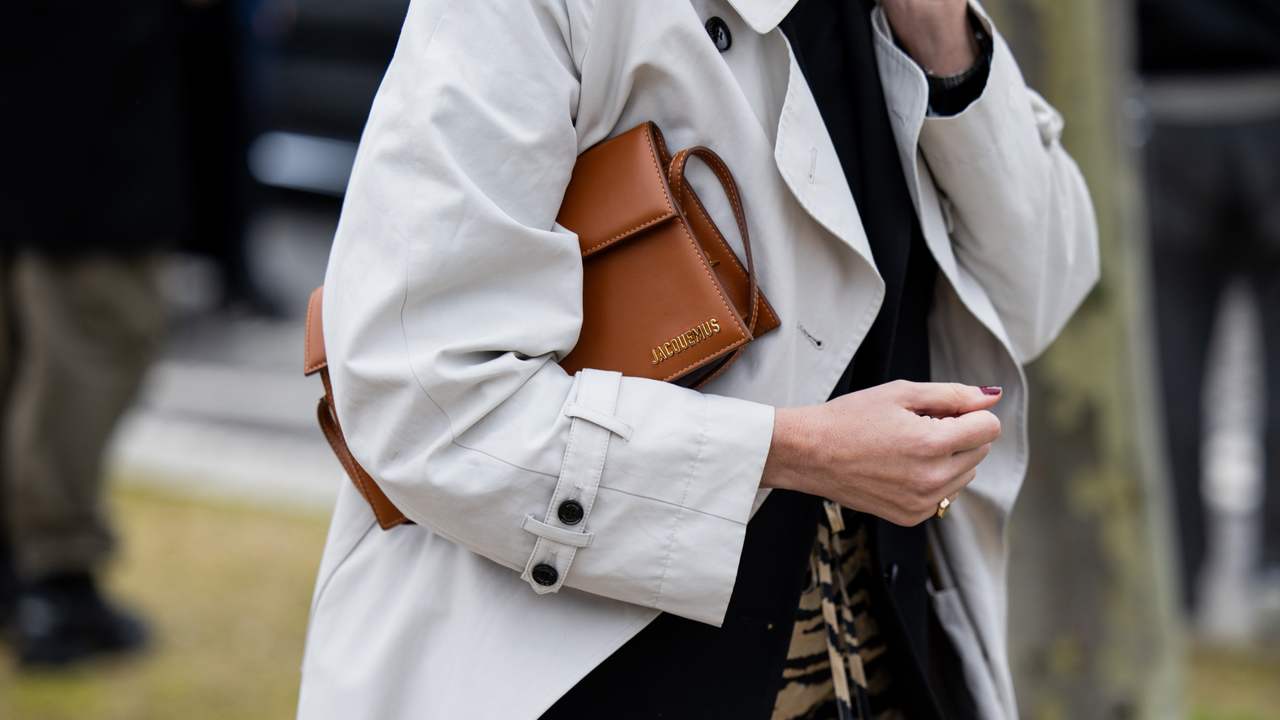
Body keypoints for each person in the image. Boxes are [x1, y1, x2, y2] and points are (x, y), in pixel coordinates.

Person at [296, 0, 1098, 718]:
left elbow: (1037, 296)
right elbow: (424, 396)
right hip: (589, 670)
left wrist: (938, 31)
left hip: (880, 661)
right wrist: (794, 452)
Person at [1, 0, 176, 665]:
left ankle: (30, 571)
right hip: (89, 124)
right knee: (90, 347)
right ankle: (58, 586)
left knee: (35, 350)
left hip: (43, 111)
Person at [1138, 0, 1280, 614]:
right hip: (1192, 104)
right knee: (1163, 372)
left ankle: (1175, 586)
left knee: (1167, 369)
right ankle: (1198, 583)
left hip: (1168, 103)